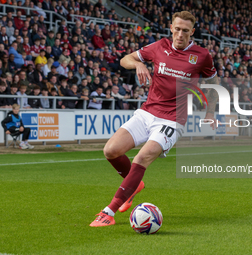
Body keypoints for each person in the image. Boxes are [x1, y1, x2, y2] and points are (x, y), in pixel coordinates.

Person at [89, 11, 218, 227]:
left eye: (185, 30)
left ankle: (108, 212)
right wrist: (138, 64)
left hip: (172, 120)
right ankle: (134, 185)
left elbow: (213, 84)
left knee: (142, 157)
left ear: (192, 32)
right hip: (147, 112)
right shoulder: (159, 46)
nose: (180, 34)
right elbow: (125, 59)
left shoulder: (202, 55)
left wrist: (211, 111)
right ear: (171, 28)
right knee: (110, 150)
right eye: (177, 29)